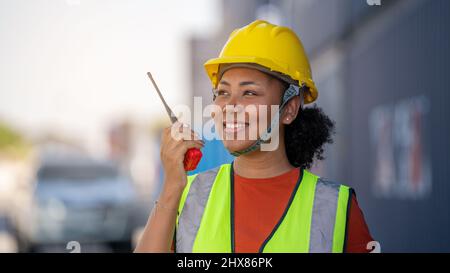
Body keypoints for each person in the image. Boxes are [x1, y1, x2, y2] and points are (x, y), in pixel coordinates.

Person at [135, 20, 373, 253]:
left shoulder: (336, 208)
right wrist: (171, 188)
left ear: (289, 108)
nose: (230, 105)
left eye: (249, 92)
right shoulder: (187, 195)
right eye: (223, 92)